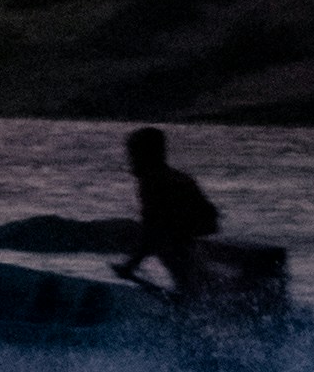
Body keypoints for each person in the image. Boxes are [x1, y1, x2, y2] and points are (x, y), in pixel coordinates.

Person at [118, 128, 286, 312]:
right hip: (198, 243)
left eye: (133, 154)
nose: (130, 160)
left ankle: (186, 301)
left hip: (191, 245)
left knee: (166, 245)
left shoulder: (153, 183)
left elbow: (153, 231)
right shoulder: (175, 178)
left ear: (148, 155)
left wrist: (130, 266)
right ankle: (188, 295)